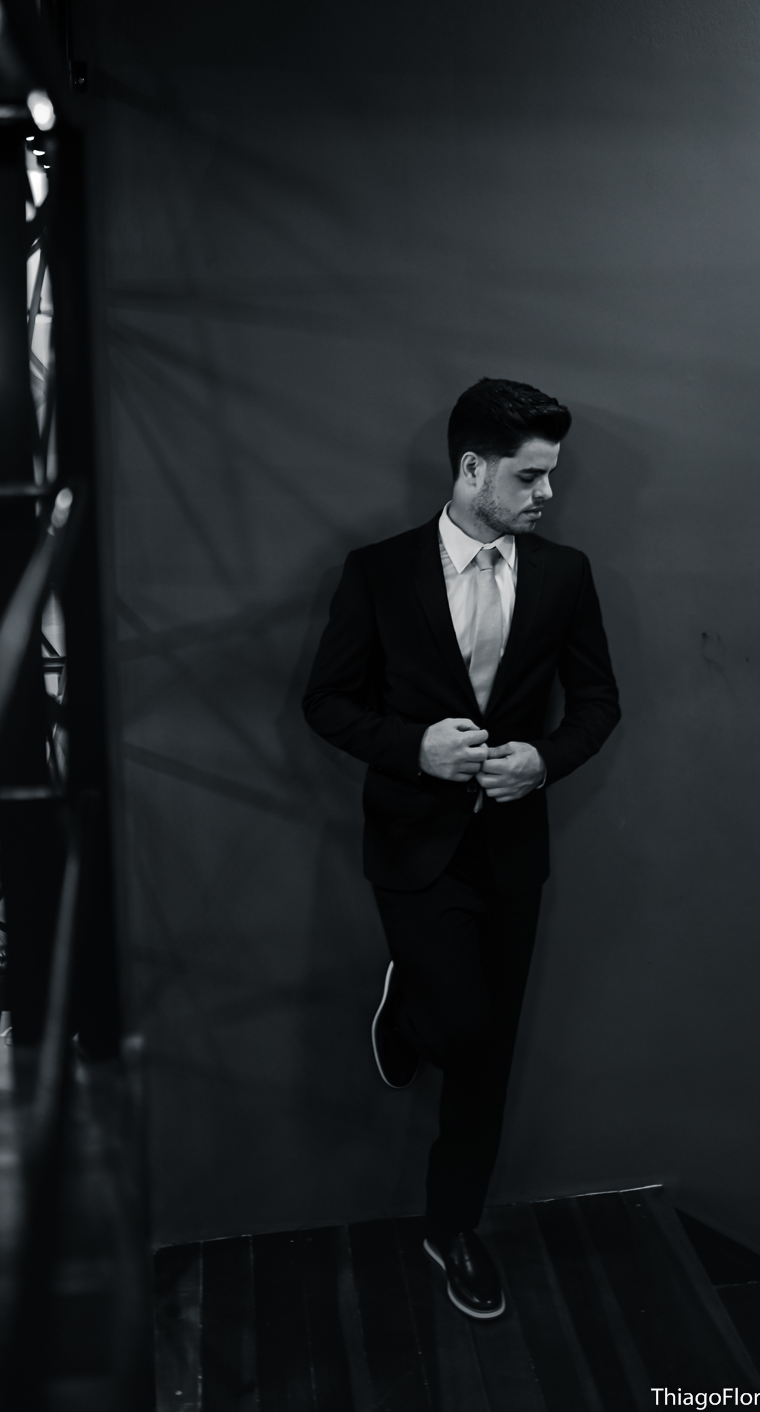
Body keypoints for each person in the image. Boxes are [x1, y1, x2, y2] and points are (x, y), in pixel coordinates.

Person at [302, 377, 621, 1319]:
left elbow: (598, 702)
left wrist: (544, 761)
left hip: (511, 850)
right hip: (412, 841)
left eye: (551, 475)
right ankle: (408, 1015)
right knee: (466, 1025)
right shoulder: (377, 572)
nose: (547, 493)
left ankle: (452, 1228)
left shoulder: (566, 576)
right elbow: (326, 701)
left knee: (489, 1055)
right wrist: (416, 748)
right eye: (530, 476)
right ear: (472, 469)